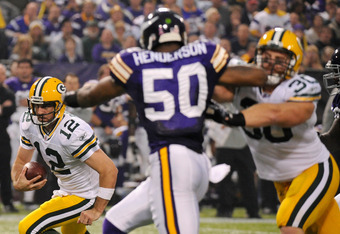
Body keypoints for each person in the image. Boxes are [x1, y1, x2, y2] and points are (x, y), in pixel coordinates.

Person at [63, 8, 267, 233]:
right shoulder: (202, 54)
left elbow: (90, 96)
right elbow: (252, 77)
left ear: (148, 37)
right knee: (115, 223)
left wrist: (64, 97)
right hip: (197, 164)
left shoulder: (135, 62)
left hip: (171, 160)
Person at [210, 27, 340, 233]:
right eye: (267, 58)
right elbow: (219, 89)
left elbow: (277, 114)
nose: (272, 66)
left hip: (314, 171)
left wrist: (232, 117)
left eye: (280, 60)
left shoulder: (302, 85)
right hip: (282, 180)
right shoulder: (246, 82)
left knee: (289, 222)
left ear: (294, 62)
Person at [11, 76, 118, 233]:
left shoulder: (72, 132)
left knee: (28, 228)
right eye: (36, 105)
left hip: (86, 196)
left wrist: (97, 209)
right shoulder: (28, 122)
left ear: (60, 105)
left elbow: (109, 170)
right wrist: (16, 182)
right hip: (67, 190)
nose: (40, 111)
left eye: (46, 106)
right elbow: (21, 160)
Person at [0, 64, 17, 213]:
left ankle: (7, 202)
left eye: (2, 73)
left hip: (2, 133)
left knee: (5, 169)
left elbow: (10, 109)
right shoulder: (6, 95)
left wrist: (3, 109)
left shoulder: (8, 93)